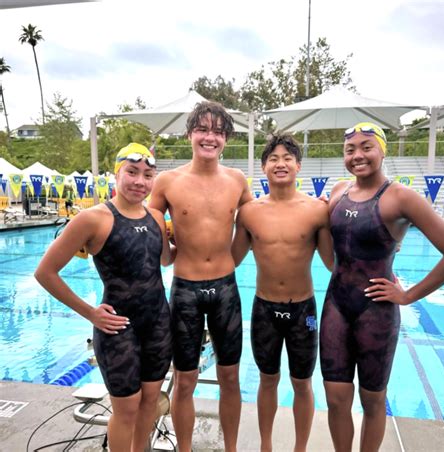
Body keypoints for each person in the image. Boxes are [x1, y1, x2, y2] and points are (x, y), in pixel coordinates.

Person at [319, 122, 444, 452]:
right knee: (335, 398)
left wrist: (408, 295)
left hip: (376, 312)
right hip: (336, 304)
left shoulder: (401, 197)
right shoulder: (337, 191)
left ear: (382, 150)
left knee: (372, 400)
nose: (358, 155)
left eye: (366, 147)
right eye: (350, 150)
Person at [35, 143, 173, 452]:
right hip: (118, 329)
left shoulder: (155, 217)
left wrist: (203, 241)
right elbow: (45, 272)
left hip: (158, 324)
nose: (140, 181)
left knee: (150, 402)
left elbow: (165, 259)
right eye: (132, 172)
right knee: (126, 409)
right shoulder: (93, 219)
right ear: (116, 175)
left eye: (148, 175)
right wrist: (90, 313)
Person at [148, 101, 252, 452]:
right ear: (190, 134)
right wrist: (167, 253)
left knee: (231, 377)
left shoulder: (237, 181)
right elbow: (145, 222)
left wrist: (229, 261)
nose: (210, 137)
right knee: (185, 379)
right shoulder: (167, 181)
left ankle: (232, 448)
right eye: (203, 130)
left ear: (226, 139)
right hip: (185, 291)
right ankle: (186, 449)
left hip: (226, 288)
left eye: (218, 132)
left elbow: (255, 226)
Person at [231, 133, 334, 452]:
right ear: (263, 167)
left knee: (302, 383)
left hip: (304, 311)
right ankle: (266, 445)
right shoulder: (249, 212)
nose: (280, 163)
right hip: (264, 309)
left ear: (298, 166)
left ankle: (300, 447)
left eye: (287, 158)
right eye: (273, 158)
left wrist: (386, 247)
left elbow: (333, 263)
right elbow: (231, 259)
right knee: (267, 379)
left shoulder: (318, 210)